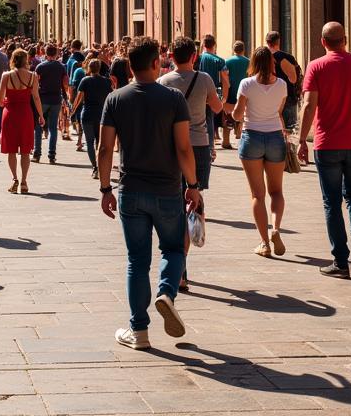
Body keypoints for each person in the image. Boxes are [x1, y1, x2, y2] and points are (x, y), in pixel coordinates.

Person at [98, 36, 201, 350]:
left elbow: (104, 149)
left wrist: (105, 189)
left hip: (131, 190)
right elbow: (184, 148)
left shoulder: (115, 99)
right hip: (168, 189)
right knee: (173, 249)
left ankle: (138, 331)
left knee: (136, 261)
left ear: (130, 65)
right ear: (158, 63)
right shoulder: (173, 99)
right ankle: (167, 293)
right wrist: (193, 186)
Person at [298, 22, 351, 278]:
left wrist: (302, 139)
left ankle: (341, 262)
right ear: (345, 40)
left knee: (332, 202)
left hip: (327, 144)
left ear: (323, 42)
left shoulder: (316, 66)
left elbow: (309, 105)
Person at [159, 36, 223, 290]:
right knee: (194, 198)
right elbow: (217, 108)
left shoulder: (164, 82)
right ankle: (188, 243)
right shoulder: (204, 79)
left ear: (171, 57)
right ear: (194, 57)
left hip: (173, 146)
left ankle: (180, 270)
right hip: (198, 145)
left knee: (176, 203)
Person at [232, 47, 288, 257]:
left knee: (258, 194)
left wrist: (239, 109)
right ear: (272, 63)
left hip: (252, 137)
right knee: (277, 191)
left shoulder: (246, 84)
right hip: (274, 137)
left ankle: (264, 243)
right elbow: (278, 111)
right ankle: (276, 229)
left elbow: (238, 115)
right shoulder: (281, 85)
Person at [0, 49, 45, 194]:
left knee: (11, 150)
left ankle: (14, 179)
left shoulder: (6, 75)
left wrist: (7, 101)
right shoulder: (32, 76)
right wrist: (41, 115)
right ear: (26, 60)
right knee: (25, 150)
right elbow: (36, 97)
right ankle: (24, 181)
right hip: (26, 114)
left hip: (10, 113)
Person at [70, 58, 112, 176]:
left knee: (89, 142)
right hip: (102, 115)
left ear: (89, 68)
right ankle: (101, 166)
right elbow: (110, 97)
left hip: (87, 114)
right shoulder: (107, 82)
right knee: (100, 142)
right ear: (99, 68)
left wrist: (73, 110)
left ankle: (95, 167)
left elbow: (79, 98)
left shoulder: (85, 80)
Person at [33, 44, 68, 164]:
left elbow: (35, 84)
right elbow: (66, 83)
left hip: (42, 99)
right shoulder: (62, 67)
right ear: (56, 53)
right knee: (53, 128)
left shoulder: (40, 67)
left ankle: (37, 154)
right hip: (56, 99)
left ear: (45, 53)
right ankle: (51, 155)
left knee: (38, 127)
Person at [221, 42, 249, 149]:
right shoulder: (248, 62)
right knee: (243, 114)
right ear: (243, 50)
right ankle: (240, 136)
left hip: (230, 90)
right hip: (244, 91)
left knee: (228, 116)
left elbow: (223, 76)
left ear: (233, 49)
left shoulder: (227, 61)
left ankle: (226, 141)